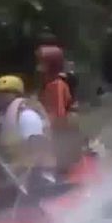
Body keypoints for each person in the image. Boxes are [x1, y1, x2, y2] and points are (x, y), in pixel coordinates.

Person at [0, 74, 56, 194]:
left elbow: (37, 147)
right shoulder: (4, 117)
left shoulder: (27, 115)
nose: (0, 97)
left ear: (16, 94)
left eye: (5, 93)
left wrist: (26, 171)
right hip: (17, 175)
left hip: (38, 176)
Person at [35, 44, 84, 173]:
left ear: (52, 64)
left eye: (42, 63)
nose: (38, 67)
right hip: (61, 133)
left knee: (61, 171)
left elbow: (58, 116)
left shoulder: (56, 85)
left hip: (60, 136)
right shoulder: (50, 83)